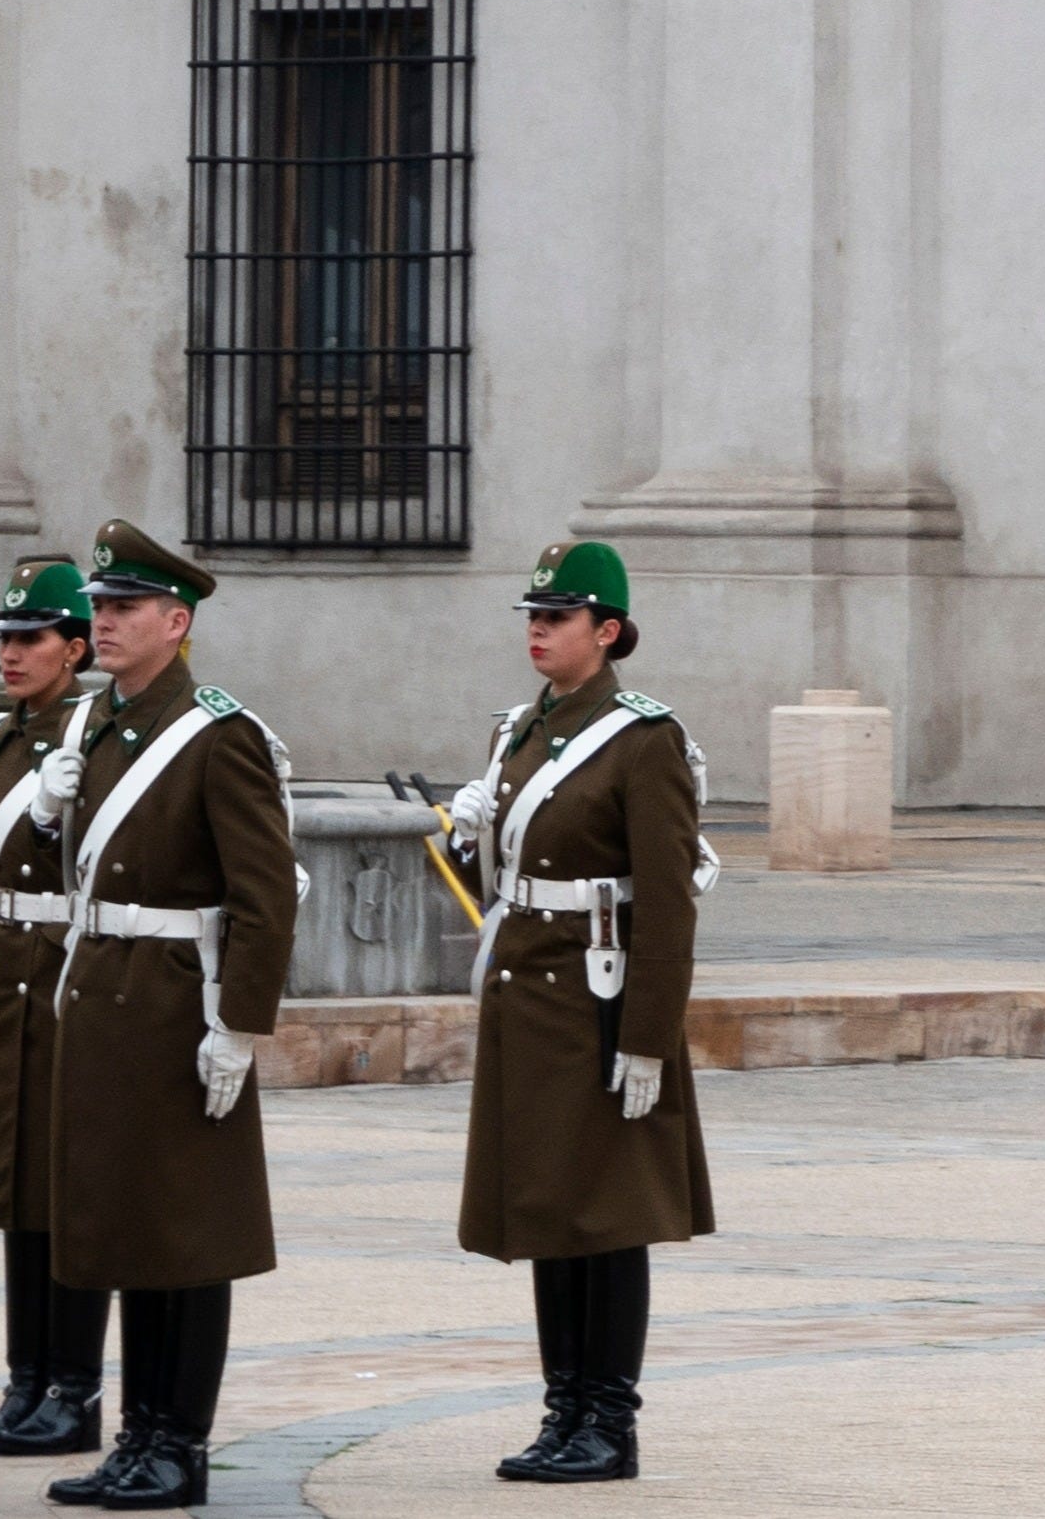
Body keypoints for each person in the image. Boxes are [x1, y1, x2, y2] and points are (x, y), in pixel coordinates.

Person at [436, 540, 715, 1483]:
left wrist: (647, 1038)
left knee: (610, 1219)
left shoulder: (643, 738)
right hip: (530, 1002)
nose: (537, 631)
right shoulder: (519, 731)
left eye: (556, 619)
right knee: (551, 1213)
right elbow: (504, 886)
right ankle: (561, 1410)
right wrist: (472, 833)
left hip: (599, 1004)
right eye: (532, 616)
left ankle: (608, 1420)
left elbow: (669, 901)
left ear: (607, 631)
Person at [43, 520, 297, 1511]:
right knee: (127, 1232)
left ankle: (177, 1445)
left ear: (175, 622)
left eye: (123, 609)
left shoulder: (218, 734)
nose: (101, 623)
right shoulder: (97, 725)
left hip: (173, 1015)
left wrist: (239, 1023)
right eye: (99, 608)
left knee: (186, 1237)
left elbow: (264, 894)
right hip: (103, 1008)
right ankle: (135, 1434)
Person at [0, 558, 109, 1462]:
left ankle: (72, 1389)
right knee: (14, 1188)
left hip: (61, 968)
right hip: (5, 970)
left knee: (63, 1188)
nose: (10, 654)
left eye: (30, 639)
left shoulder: (90, 738)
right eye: (5, 638)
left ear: (73, 649)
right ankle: (25, 1384)